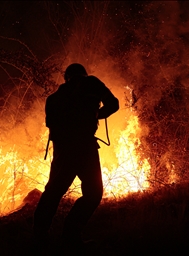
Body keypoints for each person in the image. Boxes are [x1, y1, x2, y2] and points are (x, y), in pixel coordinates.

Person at [32, 63, 119, 252]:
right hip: (85, 148)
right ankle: (70, 236)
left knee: (53, 193)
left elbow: (51, 125)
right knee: (93, 193)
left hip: (63, 151)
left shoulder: (54, 98)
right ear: (84, 74)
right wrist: (97, 114)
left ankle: (38, 237)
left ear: (67, 78)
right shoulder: (93, 83)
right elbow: (114, 104)